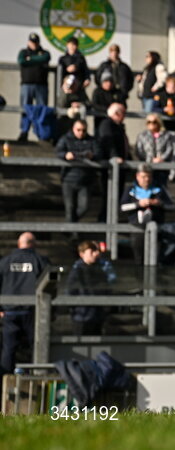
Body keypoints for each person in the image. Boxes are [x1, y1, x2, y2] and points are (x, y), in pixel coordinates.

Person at [0, 233, 50, 376]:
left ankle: (5, 379)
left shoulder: (5, 262)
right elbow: (51, 284)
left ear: (19, 244)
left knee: (8, 349)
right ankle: (35, 376)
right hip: (33, 311)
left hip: (10, 311)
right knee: (36, 346)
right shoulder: (40, 261)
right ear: (33, 244)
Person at [55, 118, 100, 229]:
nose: (81, 133)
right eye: (78, 130)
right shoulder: (65, 139)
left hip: (86, 180)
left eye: (84, 130)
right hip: (69, 179)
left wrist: (92, 156)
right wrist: (66, 155)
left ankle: (69, 227)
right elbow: (58, 151)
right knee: (70, 208)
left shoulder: (91, 140)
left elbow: (99, 153)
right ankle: (72, 234)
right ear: (73, 129)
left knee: (84, 207)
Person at [65, 241, 116, 336]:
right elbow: (70, 291)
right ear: (82, 254)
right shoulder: (77, 271)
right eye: (92, 252)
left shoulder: (100, 270)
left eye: (96, 251)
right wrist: (76, 310)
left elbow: (106, 289)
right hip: (82, 316)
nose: (96, 254)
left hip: (97, 315)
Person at [16, 33, 51, 142]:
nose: (34, 44)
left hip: (41, 85)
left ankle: (42, 133)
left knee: (42, 109)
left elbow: (45, 58)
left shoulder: (45, 53)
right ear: (28, 42)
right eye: (32, 42)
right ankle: (24, 131)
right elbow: (21, 61)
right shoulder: (23, 52)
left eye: (35, 42)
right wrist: (36, 59)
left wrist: (29, 60)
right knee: (25, 108)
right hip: (27, 84)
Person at [134, 114, 175, 189]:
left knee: (161, 189)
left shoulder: (167, 135)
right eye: (149, 122)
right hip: (147, 168)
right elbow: (139, 151)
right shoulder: (142, 135)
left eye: (154, 122)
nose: (151, 124)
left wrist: (161, 158)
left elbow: (170, 149)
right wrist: (150, 159)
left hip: (162, 167)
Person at [57, 37, 91, 104]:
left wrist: (87, 79)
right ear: (67, 45)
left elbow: (85, 69)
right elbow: (60, 73)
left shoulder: (81, 58)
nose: (72, 47)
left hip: (78, 86)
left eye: (74, 45)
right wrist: (67, 70)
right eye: (71, 44)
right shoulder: (62, 59)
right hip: (65, 87)